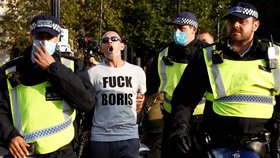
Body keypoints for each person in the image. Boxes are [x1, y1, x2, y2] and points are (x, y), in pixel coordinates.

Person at [171, 2, 280, 158]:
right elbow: (184, 97)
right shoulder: (207, 56)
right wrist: (180, 130)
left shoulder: (275, 55)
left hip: (262, 146)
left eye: (242, 21)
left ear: (255, 25)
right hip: (217, 146)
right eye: (231, 20)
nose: (235, 25)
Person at [0, 14, 95, 158]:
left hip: (63, 152)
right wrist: (10, 136)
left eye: (49, 37)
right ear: (31, 37)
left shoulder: (73, 66)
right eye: (39, 36)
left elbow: (86, 102)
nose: (44, 42)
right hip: (24, 152)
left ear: (58, 39)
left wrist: (53, 67)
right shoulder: (10, 71)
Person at [142, 11, 207, 158]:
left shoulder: (206, 53)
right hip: (171, 120)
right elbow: (151, 86)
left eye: (182, 28)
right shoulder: (164, 54)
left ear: (194, 30)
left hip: (200, 121)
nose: (177, 32)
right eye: (175, 28)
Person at [87, 31, 146, 158]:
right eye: (105, 40)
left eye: (114, 39)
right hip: (101, 137)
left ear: (121, 45)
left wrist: (140, 106)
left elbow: (140, 104)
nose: (110, 42)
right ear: (101, 48)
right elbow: (88, 104)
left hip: (129, 136)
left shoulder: (137, 71)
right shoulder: (93, 73)